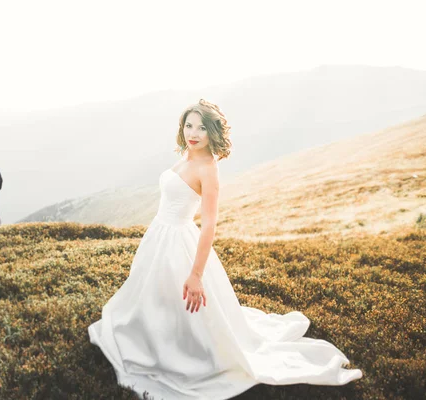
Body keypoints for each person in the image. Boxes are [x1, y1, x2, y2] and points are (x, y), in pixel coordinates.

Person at [88, 99, 362, 399]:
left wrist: (195, 274)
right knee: (153, 298)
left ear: (212, 132)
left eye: (202, 127)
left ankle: (177, 350)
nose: (193, 133)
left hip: (180, 242)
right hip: (160, 236)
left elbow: (208, 225)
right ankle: (152, 334)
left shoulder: (208, 169)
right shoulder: (188, 154)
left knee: (182, 307)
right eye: (189, 125)